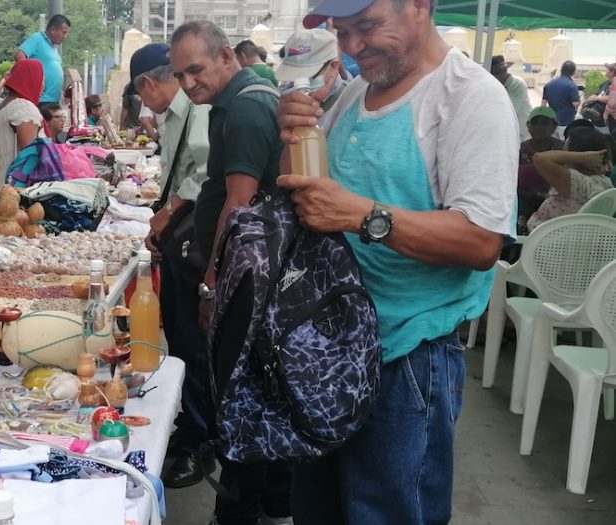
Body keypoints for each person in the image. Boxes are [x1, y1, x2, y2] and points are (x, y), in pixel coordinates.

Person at [276, 0, 518, 522]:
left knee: (387, 511)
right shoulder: (355, 92)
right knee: (317, 509)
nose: (353, 47)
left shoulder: (470, 97)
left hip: (406, 357)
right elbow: (311, 198)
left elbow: (480, 242)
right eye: (342, 32)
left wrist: (362, 215)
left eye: (366, 26)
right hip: (329, 349)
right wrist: (293, 135)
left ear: (420, 6)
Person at [170, 20, 292, 525]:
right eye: (180, 75)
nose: (188, 83)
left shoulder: (244, 109)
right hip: (257, 272)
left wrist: (211, 285)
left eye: (195, 70)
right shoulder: (233, 103)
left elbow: (237, 208)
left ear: (226, 57)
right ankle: (272, 502)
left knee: (244, 394)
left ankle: (241, 511)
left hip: (249, 278)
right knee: (262, 390)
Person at [129, 42, 213, 490]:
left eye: (141, 94)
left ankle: (200, 442)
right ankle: (190, 428)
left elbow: (204, 172)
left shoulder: (196, 110)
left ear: (148, 82)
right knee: (181, 338)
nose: (144, 102)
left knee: (192, 344)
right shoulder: (178, 113)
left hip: (196, 243)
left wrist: (169, 211)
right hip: (182, 239)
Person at [527, 127, 613, 231]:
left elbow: (538, 158)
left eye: (566, 152)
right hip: (555, 237)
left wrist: (582, 157)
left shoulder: (578, 182)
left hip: (541, 238)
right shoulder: (603, 182)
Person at [0, 59, 44, 189]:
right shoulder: (23, 109)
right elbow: (30, 157)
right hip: (17, 191)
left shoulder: (4, 104)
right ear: (32, 78)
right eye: (42, 78)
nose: (43, 84)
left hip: (3, 186)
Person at [274, 29, 346, 112]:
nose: (299, 88)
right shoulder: (287, 99)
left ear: (334, 66)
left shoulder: (351, 102)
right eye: (293, 77)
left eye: (309, 76)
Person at [518, 107, 565, 232]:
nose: (539, 127)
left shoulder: (563, 149)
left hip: (556, 202)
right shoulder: (520, 149)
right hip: (523, 200)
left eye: (544, 123)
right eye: (535, 123)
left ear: (554, 127)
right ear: (528, 126)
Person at [15, 14, 70, 104]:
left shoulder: (54, 48)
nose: (65, 36)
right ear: (53, 29)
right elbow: (19, 55)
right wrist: (32, 78)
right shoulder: (37, 38)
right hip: (40, 100)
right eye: (63, 32)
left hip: (53, 101)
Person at [492, 54, 532, 141]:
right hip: (509, 130)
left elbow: (509, 110)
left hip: (522, 129)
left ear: (501, 73)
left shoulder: (517, 84)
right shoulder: (498, 85)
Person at [543, 60, 580, 137]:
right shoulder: (571, 85)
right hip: (566, 121)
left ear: (561, 70)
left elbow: (543, 104)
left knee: (553, 142)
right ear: (573, 72)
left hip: (552, 121)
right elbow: (575, 104)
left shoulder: (549, 84)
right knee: (565, 141)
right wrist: (579, 101)